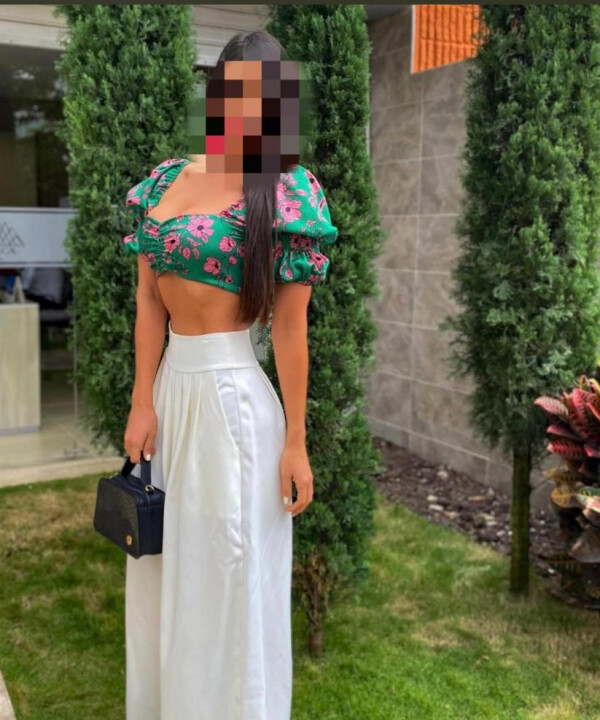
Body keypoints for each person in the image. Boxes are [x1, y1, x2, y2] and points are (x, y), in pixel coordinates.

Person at [120, 29, 338, 720]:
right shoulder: (165, 180)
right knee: (165, 569)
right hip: (172, 397)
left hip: (234, 408)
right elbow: (148, 300)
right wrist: (141, 400)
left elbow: (291, 328)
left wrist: (296, 440)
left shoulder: (289, 192)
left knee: (227, 575)